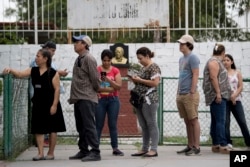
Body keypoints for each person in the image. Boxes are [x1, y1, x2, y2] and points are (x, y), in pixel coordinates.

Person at [3, 49, 66, 161]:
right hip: (38, 103)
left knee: (53, 128)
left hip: (51, 103)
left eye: (38, 56)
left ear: (45, 59)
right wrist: (10, 69)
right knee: (38, 128)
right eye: (36, 56)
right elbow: (20, 74)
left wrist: (54, 105)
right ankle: (40, 153)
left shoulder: (53, 73)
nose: (36, 58)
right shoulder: (33, 70)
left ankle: (50, 153)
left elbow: (57, 90)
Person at [68, 35, 101, 162]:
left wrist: (96, 91)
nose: (74, 44)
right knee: (80, 126)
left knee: (89, 125)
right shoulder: (79, 58)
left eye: (77, 42)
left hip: (87, 97)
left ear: (84, 44)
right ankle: (83, 150)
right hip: (78, 98)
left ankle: (95, 151)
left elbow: (95, 79)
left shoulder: (89, 58)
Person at [29, 41, 68, 147]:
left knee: (52, 125)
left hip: (49, 98)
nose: (53, 53)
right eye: (52, 50)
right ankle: (41, 148)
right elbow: (44, 71)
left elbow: (55, 85)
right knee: (40, 125)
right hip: (38, 96)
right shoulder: (36, 63)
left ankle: (49, 150)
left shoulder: (51, 63)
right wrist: (60, 73)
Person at [129, 47, 161, 157]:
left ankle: (154, 149)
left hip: (149, 99)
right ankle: (144, 148)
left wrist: (140, 80)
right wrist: (135, 79)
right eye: (138, 59)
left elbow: (155, 83)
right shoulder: (143, 68)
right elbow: (141, 83)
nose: (139, 61)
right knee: (143, 125)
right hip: (139, 99)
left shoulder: (154, 67)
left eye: (141, 58)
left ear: (147, 56)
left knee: (151, 123)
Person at [202, 43, 232, 154]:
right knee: (220, 121)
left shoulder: (215, 61)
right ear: (223, 53)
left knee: (215, 120)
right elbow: (213, 77)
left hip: (219, 95)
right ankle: (223, 144)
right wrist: (218, 93)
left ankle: (216, 144)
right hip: (217, 95)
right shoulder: (214, 62)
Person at [175, 34, 201, 156]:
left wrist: (192, 91)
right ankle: (190, 145)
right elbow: (181, 76)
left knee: (193, 119)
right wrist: (178, 91)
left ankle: (196, 146)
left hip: (190, 94)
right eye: (180, 43)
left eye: (183, 44)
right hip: (181, 93)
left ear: (189, 45)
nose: (180, 45)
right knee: (187, 120)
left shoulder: (193, 58)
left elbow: (195, 74)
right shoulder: (181, 59)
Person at [96, 49, 124, 156]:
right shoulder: (97, 69)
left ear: (111, 60)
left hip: (113, 100)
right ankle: (95, 147)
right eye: (104, 60)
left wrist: (108, 81)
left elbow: (119, 86)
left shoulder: (115, 70)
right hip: (100, 100)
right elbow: (96, 87)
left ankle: (115, 148)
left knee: (112, 124)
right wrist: (111, 88)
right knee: (98, 124)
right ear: (102, 60)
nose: (106, 63)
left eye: (108, 60)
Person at [223, 53, 250, 150]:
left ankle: (248, 142)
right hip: (225, 101)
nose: (225, 62)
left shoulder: (237, 72)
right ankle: (228, 143)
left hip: (237, 101)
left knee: (242, 122)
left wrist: (234, 96)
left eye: (227, 60)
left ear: (232, 62)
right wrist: (230, 97)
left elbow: (241, 86)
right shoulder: (222, 73)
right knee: (226, 122)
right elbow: (223, 87)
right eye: (224, 60)